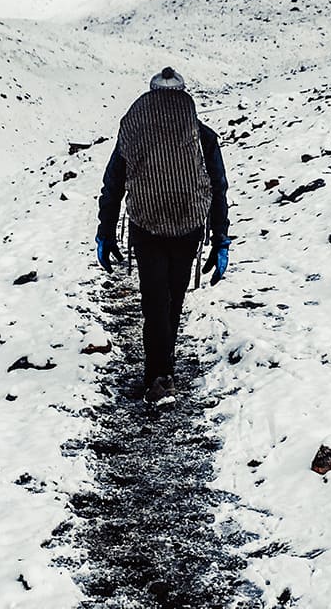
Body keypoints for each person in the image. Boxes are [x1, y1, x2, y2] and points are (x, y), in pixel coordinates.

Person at [96, 66, 230, 408]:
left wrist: (106, 231)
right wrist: (220, 238)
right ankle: (163, 370)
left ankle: (157, 375)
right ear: (182, 96)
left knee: (154, 299)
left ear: (152, 96)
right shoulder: (201, 135)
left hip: (147, 225)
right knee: (174, 296)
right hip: (188, 225)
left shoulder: (135, 132)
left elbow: (113, 183)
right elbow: (217, 186)